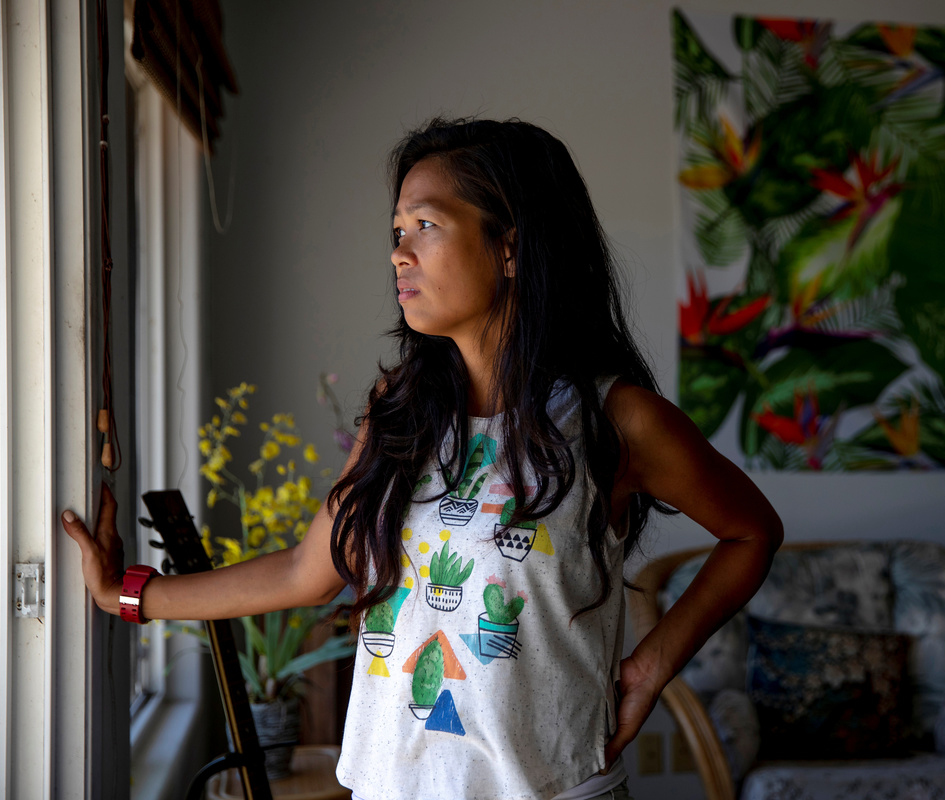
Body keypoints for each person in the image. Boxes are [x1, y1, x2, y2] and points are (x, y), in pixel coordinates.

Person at [64, 117, 783, 800]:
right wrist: (128, 596)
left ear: (510, 246)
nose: (398, 253)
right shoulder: (400, 411)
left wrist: (651, 667)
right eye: (397, 231)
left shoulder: (614, 419)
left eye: (426, 226)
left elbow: (751, 532)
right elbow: (307, 571)